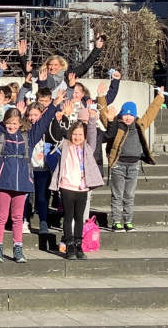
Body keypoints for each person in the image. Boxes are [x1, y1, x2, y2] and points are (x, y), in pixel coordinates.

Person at [0, 84, 63, 263]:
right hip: (3, 182)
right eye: (9, 123)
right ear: (4, 123)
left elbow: (43, 122)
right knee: (2, 216)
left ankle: (17, 248)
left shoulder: (29, 137)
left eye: (15, 123)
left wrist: (54, 105)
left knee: (18, 217)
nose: (12, 126)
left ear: (20, 123)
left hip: (22, 183)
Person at [103, 88, 165, 232]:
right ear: (121, 115)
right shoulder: (116, 126)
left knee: (129, 195)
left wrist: (159, 98)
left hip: (134, 165)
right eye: (126, 114)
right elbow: (104, 116)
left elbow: (151, 113)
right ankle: (116, 221)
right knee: (117, 195)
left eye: (131, 115)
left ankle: (128, 221)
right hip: (118, 165)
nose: (128, 118)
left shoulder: (140, 125)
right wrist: (101, 97)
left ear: (135, 116)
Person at [49, 108, 104, 259]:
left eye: (80, 134)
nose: (77, 137)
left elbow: (92, 136)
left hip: (82, 187)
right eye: (75, 134)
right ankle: (70, 245)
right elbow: (56, 134)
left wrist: (92, 120)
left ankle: (79, 245)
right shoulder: (66, 145)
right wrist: (57, 120)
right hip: (67, 186)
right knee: (68, 217)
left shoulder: (87, 148)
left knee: (79, 217)